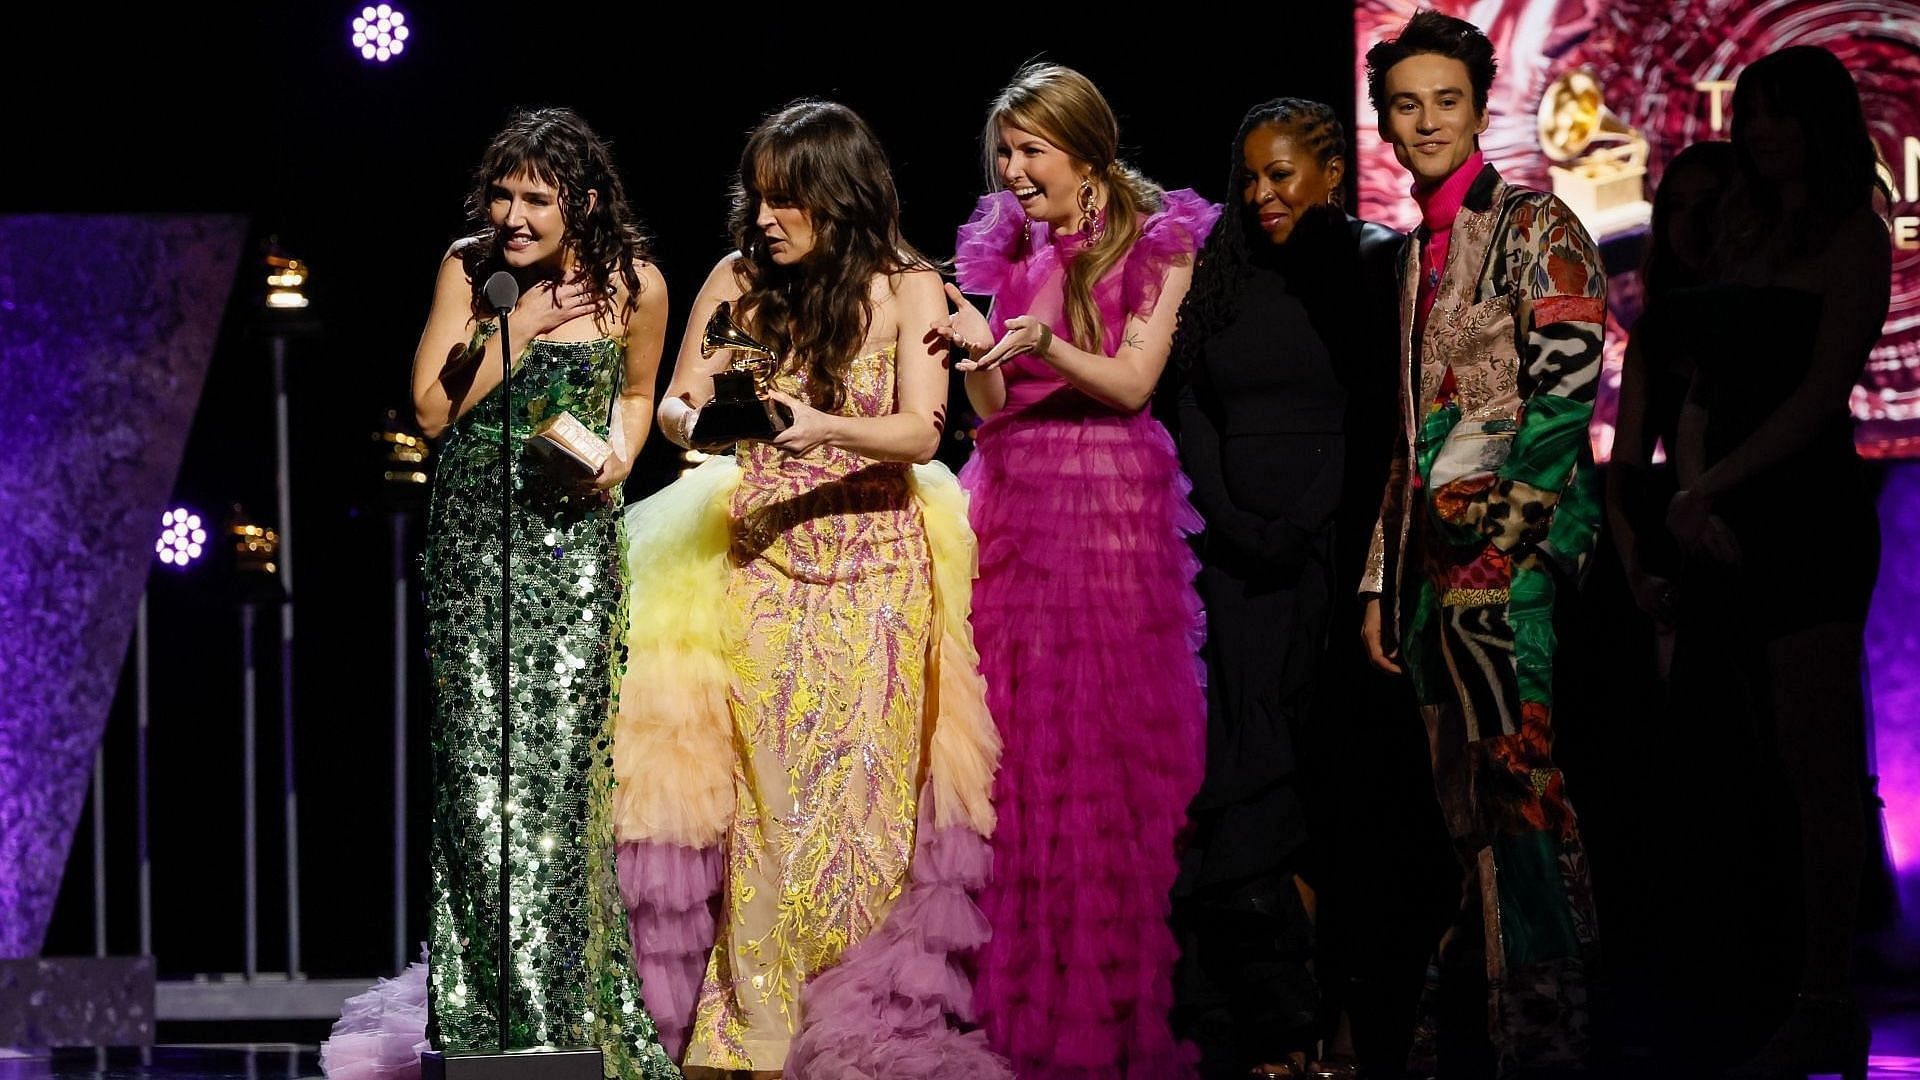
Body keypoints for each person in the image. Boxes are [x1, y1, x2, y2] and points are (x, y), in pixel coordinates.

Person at [610, 99, 1007, 1079]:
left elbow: (923, 430)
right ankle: (756, 1033)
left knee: (865, 806)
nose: (767, 216)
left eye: (788, 199)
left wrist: (818, 422)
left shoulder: (910, 286)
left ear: (840, 196)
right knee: (763, 807)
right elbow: (682, 396)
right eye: (760, 196)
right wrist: (685, 415)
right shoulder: (736, 281)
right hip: (760, 565)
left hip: (873, 572)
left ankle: (856, 1034)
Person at [322, 106, 679, 1080]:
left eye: (536, 197)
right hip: (478, 543)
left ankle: (564, 1019)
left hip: (572, 551)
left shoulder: (636, 284)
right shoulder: (470, 267)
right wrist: (511, 319)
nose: (514, 214)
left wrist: (618, 457)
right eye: (503, 193)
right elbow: (433, 413)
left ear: (585, 202)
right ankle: (485, 1027)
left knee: (559, 786)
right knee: (479, 784)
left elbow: (641, 394)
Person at [935, 62, 1217, 1079]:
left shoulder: (1158, 235)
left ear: (1085, 152)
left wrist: (1044, 333)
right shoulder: (1000, 240)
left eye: (1031, 151)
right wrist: (975, 349)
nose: (1013, 170)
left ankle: (1107, 1017)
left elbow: (1133, 382)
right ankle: (1013, 1010)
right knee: (1017, 750)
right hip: (1013, 497)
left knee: (1098, 757)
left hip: (1106, 505)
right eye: (1003, 152)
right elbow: (996, 405)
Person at [1359, 12, 1608, 1076]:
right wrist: (1381, 578)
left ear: (1477, 107)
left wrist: (1506, 551)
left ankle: (1543, 1032)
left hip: (1508, 563)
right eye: (1406, 104)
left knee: (1520, 787)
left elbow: (1563, 401)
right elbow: (1411, 436)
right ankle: (1473, 1017)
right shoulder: (1415, 251)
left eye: (1444, 101)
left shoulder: (1536, 223)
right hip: (1430, 569)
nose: (1425, 122)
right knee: (1459, 806)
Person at [1166, 97, 1428, 1080]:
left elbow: (1375, 417)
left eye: (1283, 174)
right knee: (1236, 778)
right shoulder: (1223, 272)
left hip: (1331, 561)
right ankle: (1264, 1024)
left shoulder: (1365, 267)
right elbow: (1190, 399)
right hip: (1233, 565)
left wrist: (1305, 527)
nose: (1263, 193)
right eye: (1251, 176)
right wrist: (1234, 523)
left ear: (1328, 173)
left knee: (1321, 791)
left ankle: (1333, 1021)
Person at [1665, 46, 1890, 1080]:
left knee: (1817, 767)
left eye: (1780, 114)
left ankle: (1825, 994)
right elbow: (1706, 379)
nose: (1760, 131)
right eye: (1750, 112)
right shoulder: (1741, 225)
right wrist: (1693, 482)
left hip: (1804, 512)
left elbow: (1819, 397)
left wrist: (1718, 484)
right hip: (1717, 515)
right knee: (1741, 761)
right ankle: (1752, 980)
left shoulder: (1857, 232)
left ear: (1821, 124)